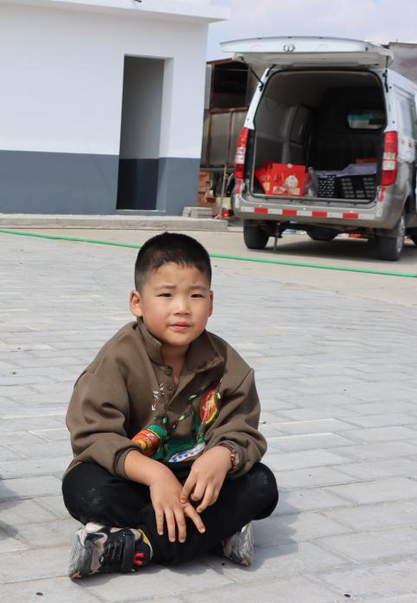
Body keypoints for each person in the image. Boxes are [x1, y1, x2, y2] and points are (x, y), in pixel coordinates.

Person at [61, 232, 278, 579]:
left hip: (196, 477)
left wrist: (222, 456)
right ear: (137, 302)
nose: (182, 307)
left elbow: (242, 429)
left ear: (211, 301)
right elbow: (94, 435)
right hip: (137, 478)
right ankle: (216, 533)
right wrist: (155, 474)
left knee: (262, 485)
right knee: (83, 489)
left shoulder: (226, 363)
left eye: (196, 295)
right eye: (166, 295)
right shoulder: (117, 359)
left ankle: (136, 544)